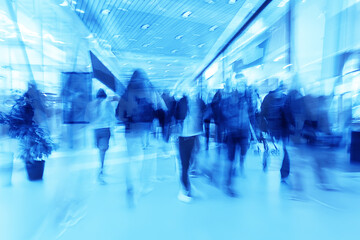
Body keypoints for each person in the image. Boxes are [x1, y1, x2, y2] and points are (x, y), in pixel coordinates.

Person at [115, 69, 166, 206]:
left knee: (132, 159)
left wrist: (126, 119)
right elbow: (160, 109)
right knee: (143, 158)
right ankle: (142, 185)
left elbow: (118, 114)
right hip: (145, 130)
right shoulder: (149, 91)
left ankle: (132, 184)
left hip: (130, 130)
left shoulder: (126, 94)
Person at [220, 81, 253, 197]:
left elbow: (250, 113)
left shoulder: (246, 99)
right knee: (231, 158)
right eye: (239, 86)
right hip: (233, 132)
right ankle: (228, 184)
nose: (241, 88)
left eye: (243, 85)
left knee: (240, 153)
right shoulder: (230, 100)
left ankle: (236, 170)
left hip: (242, 132)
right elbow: (225, 114)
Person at [260, 81, 294, 182]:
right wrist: (263, 129)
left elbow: (289, 114)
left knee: (285, 150)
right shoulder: (268, 98)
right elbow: (263, 114)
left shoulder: (285, 98)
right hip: (272, 128)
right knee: (269, 149)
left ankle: (284, 174)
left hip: (283, 129)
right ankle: (265, 161)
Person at [175, 89, 203, 202]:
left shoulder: (197, 102)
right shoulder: (182, 102)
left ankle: (187, 186)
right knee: (185, 164)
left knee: (189, 161)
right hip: (184, 136)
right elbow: (178, 116)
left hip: (192, 135)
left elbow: (202, 115)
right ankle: (185, 189)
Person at [85, 89, 115, 184]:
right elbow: (112, 117)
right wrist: (113, 132)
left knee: (100, 149)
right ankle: (101, 170)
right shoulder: (107, 103)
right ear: (105, 95)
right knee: (103, 150)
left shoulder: (91, 104)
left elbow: (87, 117)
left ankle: (100, 168)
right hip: (105, 129)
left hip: (95, 129)